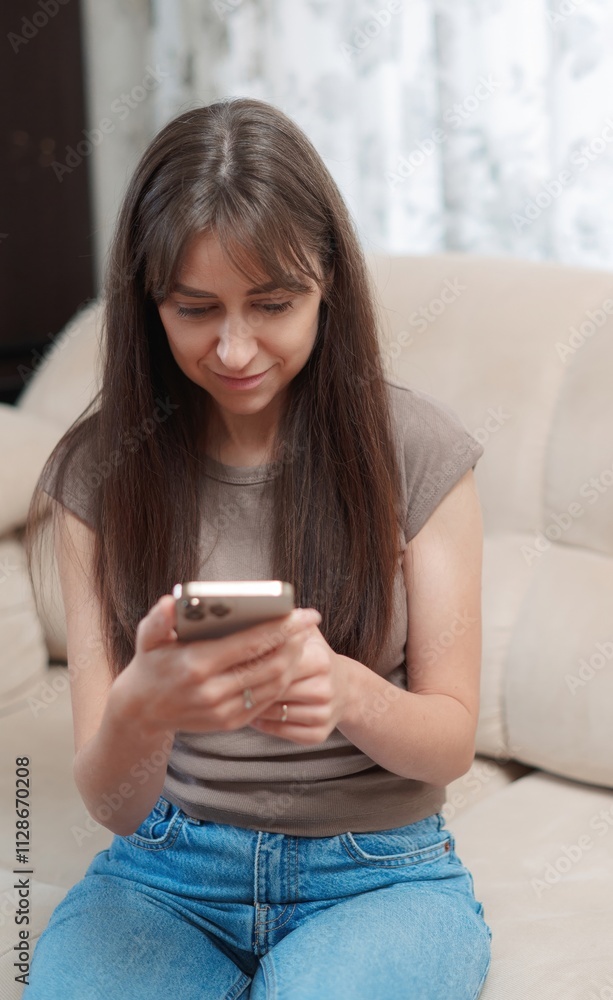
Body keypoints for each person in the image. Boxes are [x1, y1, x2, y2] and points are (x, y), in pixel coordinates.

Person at [23, 96, 492, 999]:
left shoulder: (420, 453)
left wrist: (346, 690)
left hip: (378, 872)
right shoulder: (97, 475)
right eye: (195, 309)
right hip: (166, 870)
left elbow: (451, 742)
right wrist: (142, 710)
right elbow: (112, 803)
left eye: (273, 304)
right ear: (147, 302)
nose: (235, 348)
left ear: (328, 288)